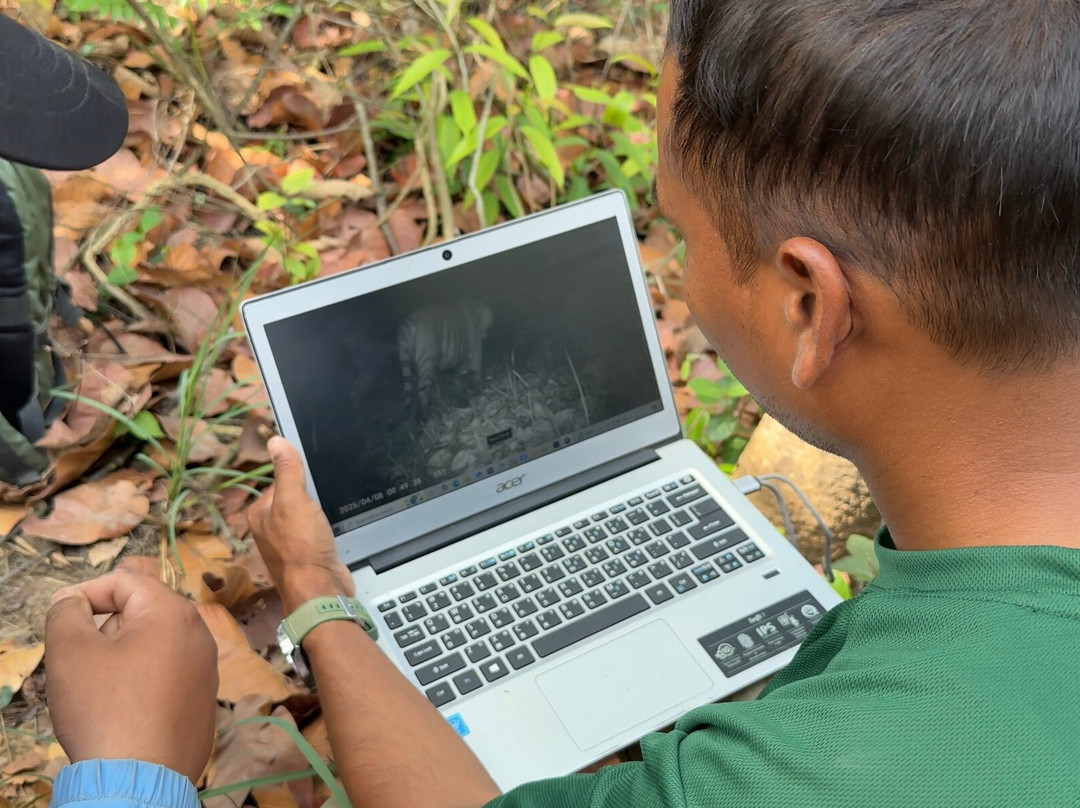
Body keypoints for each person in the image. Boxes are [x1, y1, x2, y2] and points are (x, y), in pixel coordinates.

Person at [45, 0, 1080, 806]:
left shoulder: (799, 776)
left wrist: (313, 597)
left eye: (676, 233)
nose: (670, 275)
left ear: (810, 305)